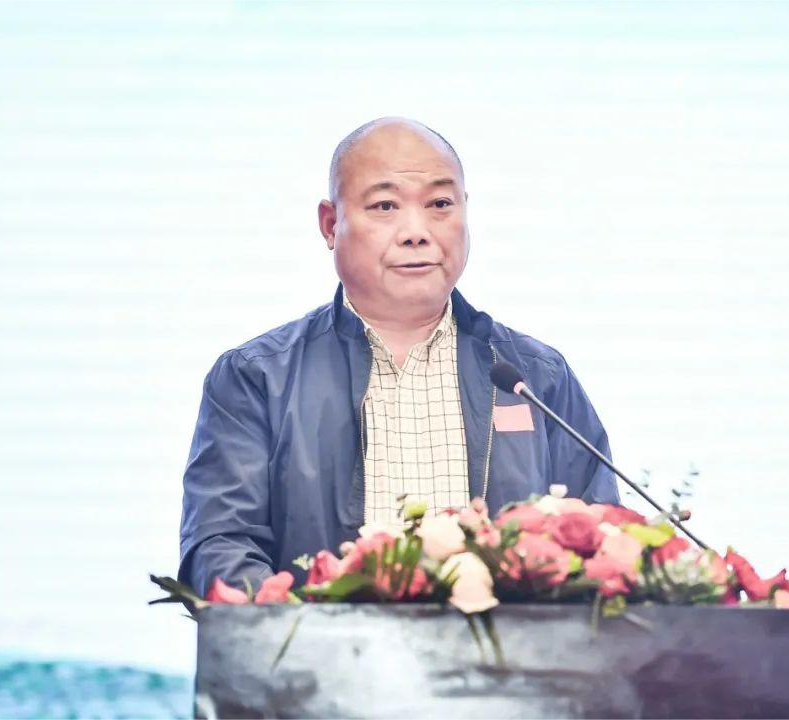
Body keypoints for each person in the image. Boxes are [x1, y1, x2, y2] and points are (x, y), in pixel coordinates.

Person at [178, 117, 618, 595]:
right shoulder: (256, 378)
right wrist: (304, 628)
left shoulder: (535, 377)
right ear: (330, 224)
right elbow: (221, 546)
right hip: (321, 644)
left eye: (440, 204)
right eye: (385, 206)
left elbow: (602, 543)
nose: (416, 232)